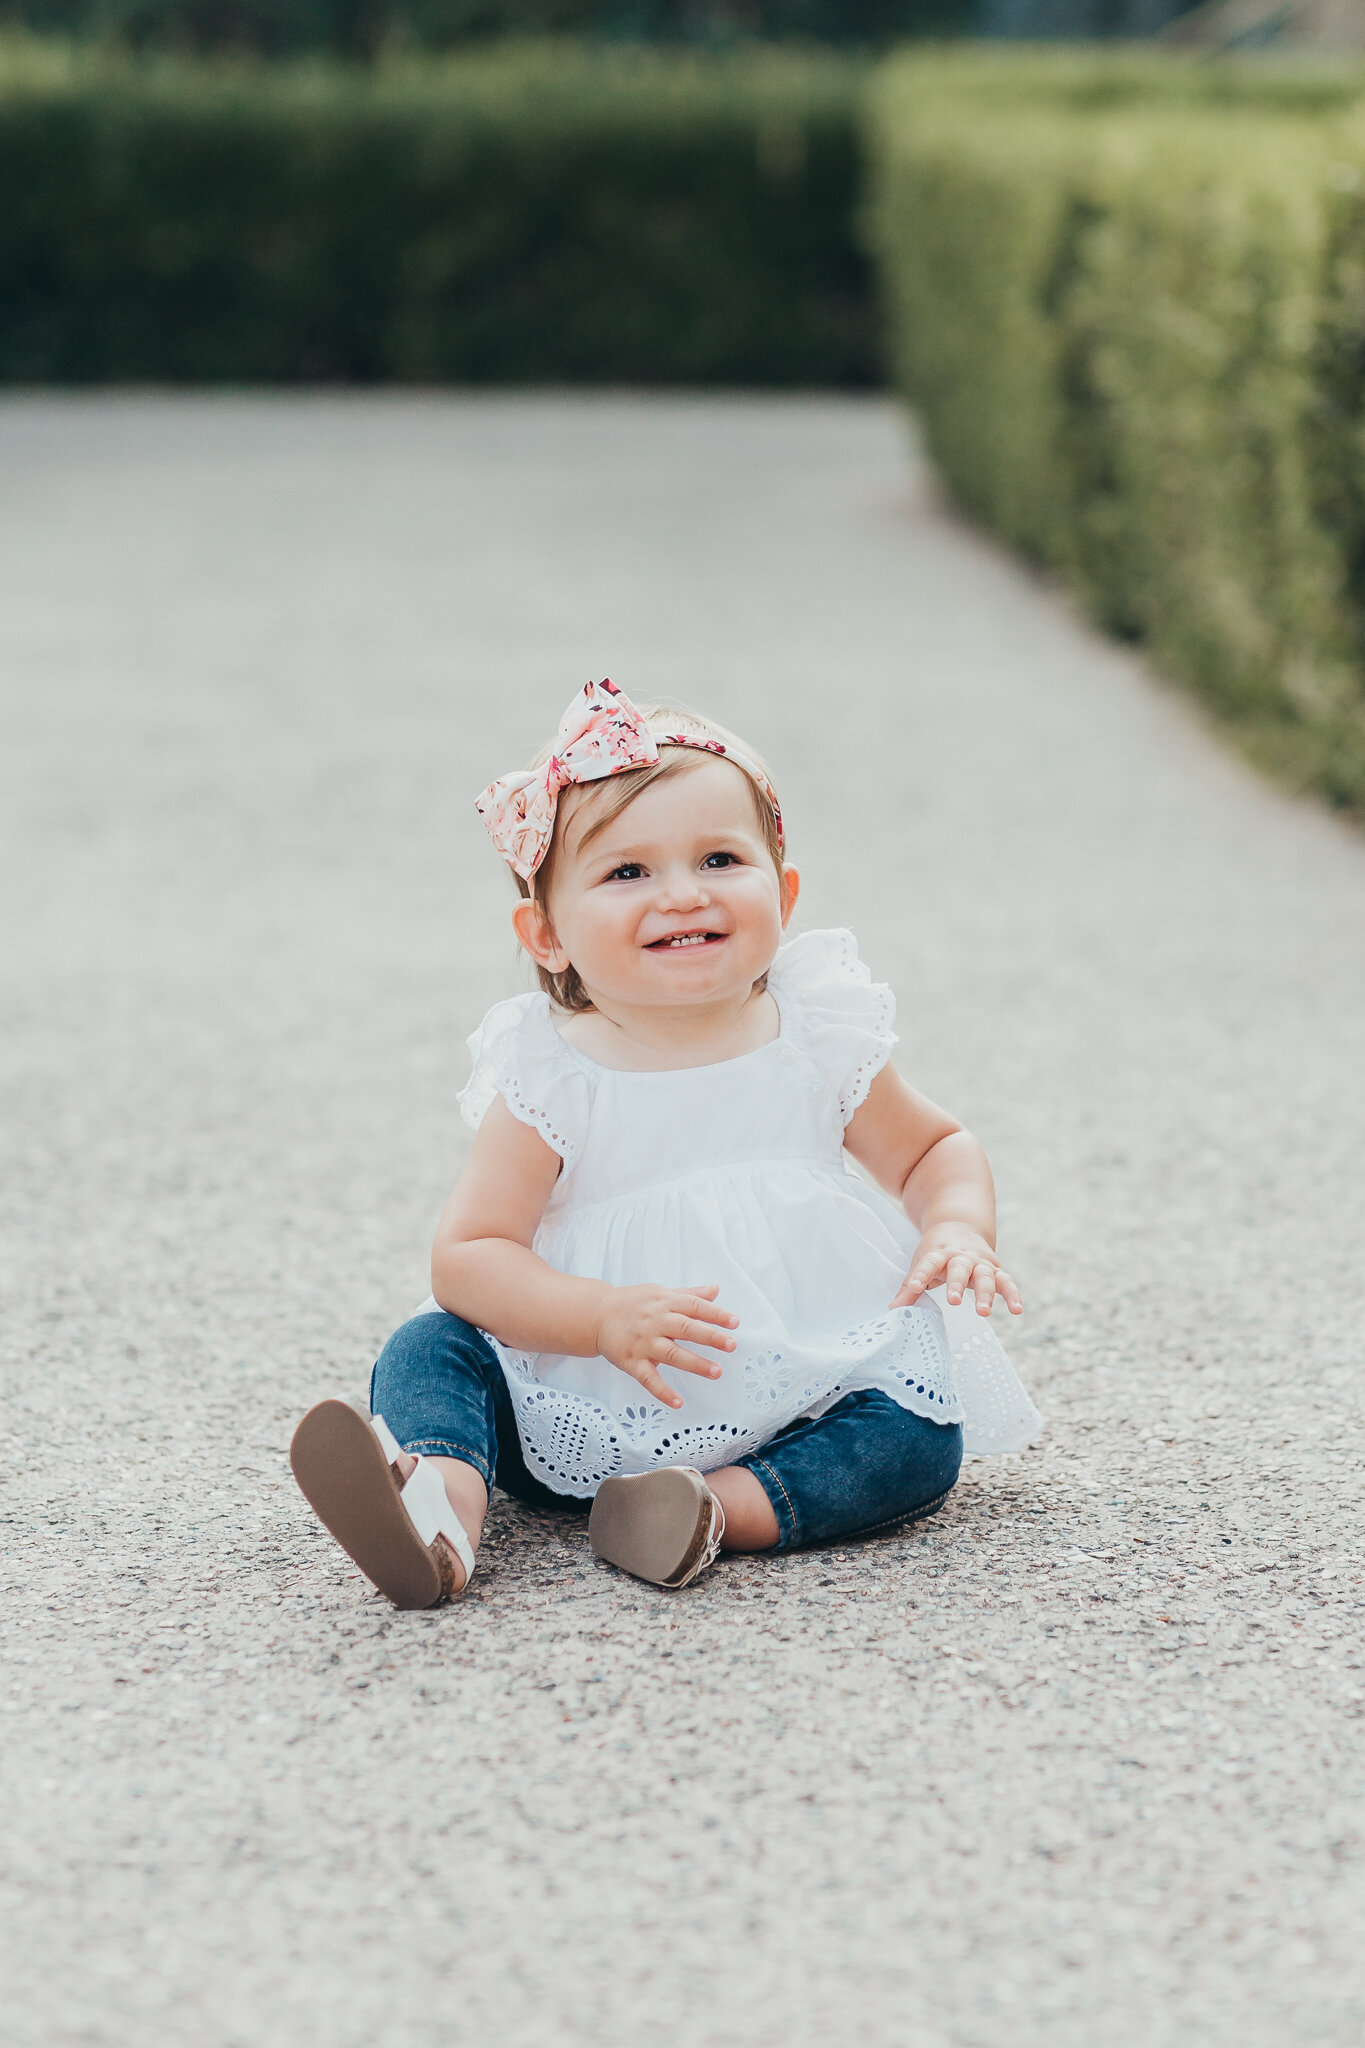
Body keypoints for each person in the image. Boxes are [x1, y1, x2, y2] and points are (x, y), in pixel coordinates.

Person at [290, 679, 1042, 1607]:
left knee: (916, 1439)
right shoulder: (553, 1077)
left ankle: (706, 1509)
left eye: (720, 858)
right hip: (576, 1389)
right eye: (627, 873)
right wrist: (597, 1319)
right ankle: (440, 1511)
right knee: (430, 1348)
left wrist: (958, 1227)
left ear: (784, 892)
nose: (682, 894)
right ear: (548, 934)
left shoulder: (817, 1038)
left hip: (796, 1380)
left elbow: (932, 1151)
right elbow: (470, 1256)